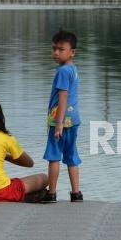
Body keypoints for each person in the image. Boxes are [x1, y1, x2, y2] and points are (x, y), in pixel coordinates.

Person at [42, 29, 83, 203]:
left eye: (61, 49)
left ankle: (51, 193)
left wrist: (58, 124)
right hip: (73, 119)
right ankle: (76, 193)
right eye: (54, 49)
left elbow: (63, 97)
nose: (56, 53)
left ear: (72, 52)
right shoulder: (72, 69)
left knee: (54, 156)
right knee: (71, 156)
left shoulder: (62, 72)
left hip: (59, 120)